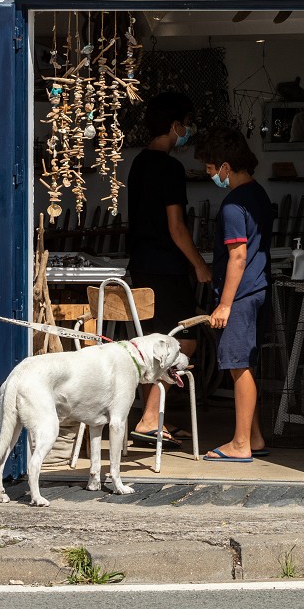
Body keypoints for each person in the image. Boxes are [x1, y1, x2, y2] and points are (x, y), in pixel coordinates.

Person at [127, 92, 211, 444]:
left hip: (142, 267)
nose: (188, 130)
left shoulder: (138, 164)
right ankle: (149, 419)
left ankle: (153, 417)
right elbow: (177, 227)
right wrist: (200, 266)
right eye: (186, 123)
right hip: (168, 268)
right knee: (183, 344)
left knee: (153, 344)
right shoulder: (170, 168)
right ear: (175, 125)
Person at [194, 127, 275, 462]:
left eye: (211, 168)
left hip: (240, 296)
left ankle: (240, 444)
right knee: (245, 365)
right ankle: (253, 437)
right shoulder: (259, 195)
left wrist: (224, 304)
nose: (209, 174)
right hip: (258, 290)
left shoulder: (232, 206)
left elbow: (237, 256)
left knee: (237, 366)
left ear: (226, 166)